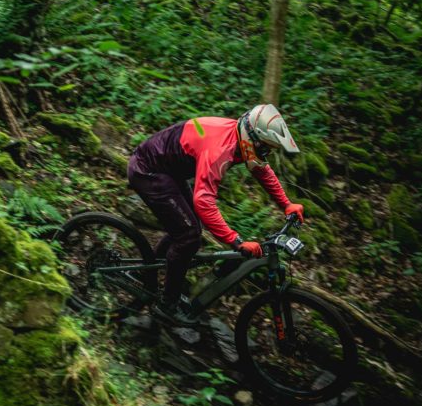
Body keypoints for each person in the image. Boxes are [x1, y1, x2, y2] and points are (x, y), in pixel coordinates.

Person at [127, 104, 305, 325]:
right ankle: (167, 304)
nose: (266, 153)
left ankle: (148, 274)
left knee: (186, 227)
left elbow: (262, 170)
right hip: (148, 171)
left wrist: (287, 204)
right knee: (189, 235)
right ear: (253, 139)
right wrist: (236, 241)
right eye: (266, 148)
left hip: (168, 171)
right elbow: (204, 201)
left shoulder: (241, 138)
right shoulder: (220, 151)